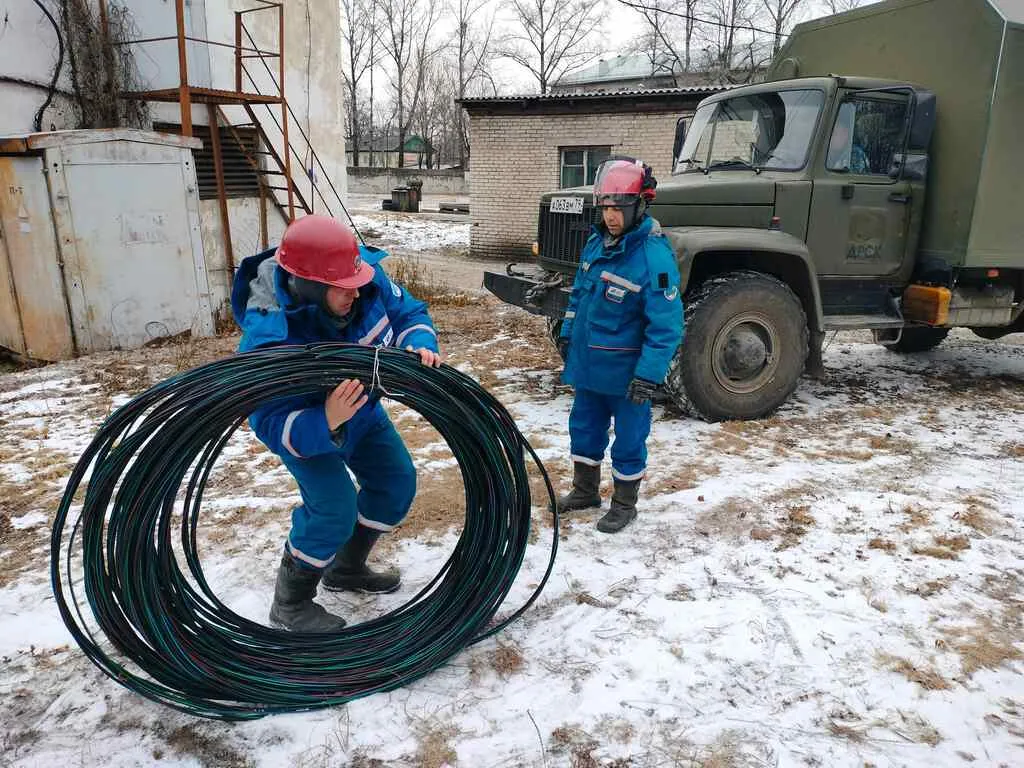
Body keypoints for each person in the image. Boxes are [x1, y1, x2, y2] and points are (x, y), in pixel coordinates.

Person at [230, 214, 442, 632]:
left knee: (396, 483)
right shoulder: (270, 339)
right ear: (308, 287)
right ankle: (290, 603)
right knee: (334, 508)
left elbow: (406, 311)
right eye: (342, 289)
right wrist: (324, 420)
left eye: (356, 282)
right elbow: (268, 419)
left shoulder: (358, 275)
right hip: (309, 431)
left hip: (363, 413)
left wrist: (419, 341)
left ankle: (346, 567)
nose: (355, 292)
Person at [555, 157, 683, 533]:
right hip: (590, 368)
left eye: (619, 208)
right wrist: (567, 334)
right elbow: (579, 296)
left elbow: (666, 325)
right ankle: (585, 490)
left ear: (639, 206)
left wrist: (649, 375)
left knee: (628, 440)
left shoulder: (653, 257)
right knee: (583, 428)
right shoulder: (596, 244)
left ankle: (625, 504)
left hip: (628, 378)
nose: (611, 216)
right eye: (606, 207)